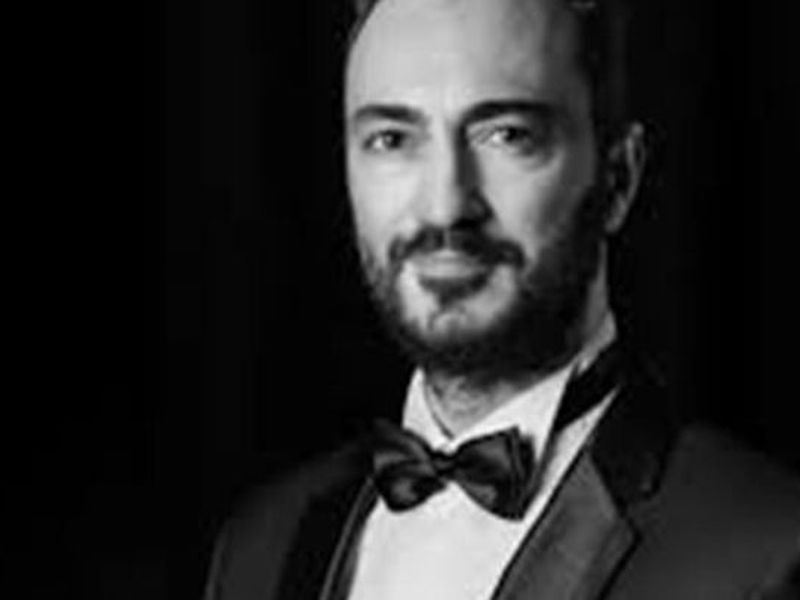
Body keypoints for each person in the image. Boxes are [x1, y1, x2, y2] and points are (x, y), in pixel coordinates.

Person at [204, 0, 800, 598]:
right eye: (391, 139)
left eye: (506, 135)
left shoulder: (770, 549)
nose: (445, 207)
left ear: (618, 177)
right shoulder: (261, 543)